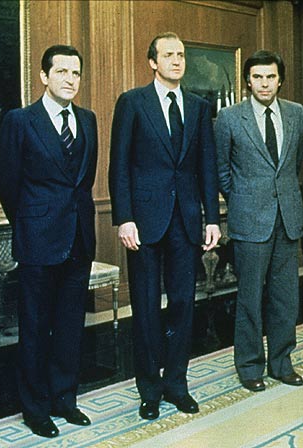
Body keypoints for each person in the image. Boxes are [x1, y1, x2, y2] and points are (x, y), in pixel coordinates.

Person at [109, 32, 221, 421]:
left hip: (186, 222)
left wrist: (212, 218)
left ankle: (176, 384)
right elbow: (119, 165)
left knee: (183, 304)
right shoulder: (132, 103)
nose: (177, 60)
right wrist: (124, 217)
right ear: (152, 62)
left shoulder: (199, 106)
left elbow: (207, 165)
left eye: (181, 54)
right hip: (143, 222)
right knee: (144, 307)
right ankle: (149, 390)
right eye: (168, 55)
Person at [0, 44, 97, 439]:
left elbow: (83, 182)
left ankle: (64, 399)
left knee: (70, 325)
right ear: (43, 76)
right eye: (62, 72)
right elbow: (7, 183)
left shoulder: (87, 120)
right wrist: (30, 222)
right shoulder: (21, 121)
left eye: (76, 73)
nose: (70, 79)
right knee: (36, 328)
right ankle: (35, 408)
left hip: (79, 238)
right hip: (38, 239)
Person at [215, 50, 303, 392]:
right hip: (250, 220)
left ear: (280, 80)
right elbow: (222, 171)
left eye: (270, 77)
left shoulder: (296, 113)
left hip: (287, 218)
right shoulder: (229, 118)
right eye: (257, 77)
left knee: (286, 297)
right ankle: (250, 366)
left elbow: (295, 165)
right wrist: (243, 200)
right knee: (250, 297)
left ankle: (282, 362)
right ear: (248, 82)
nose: (264, 83)